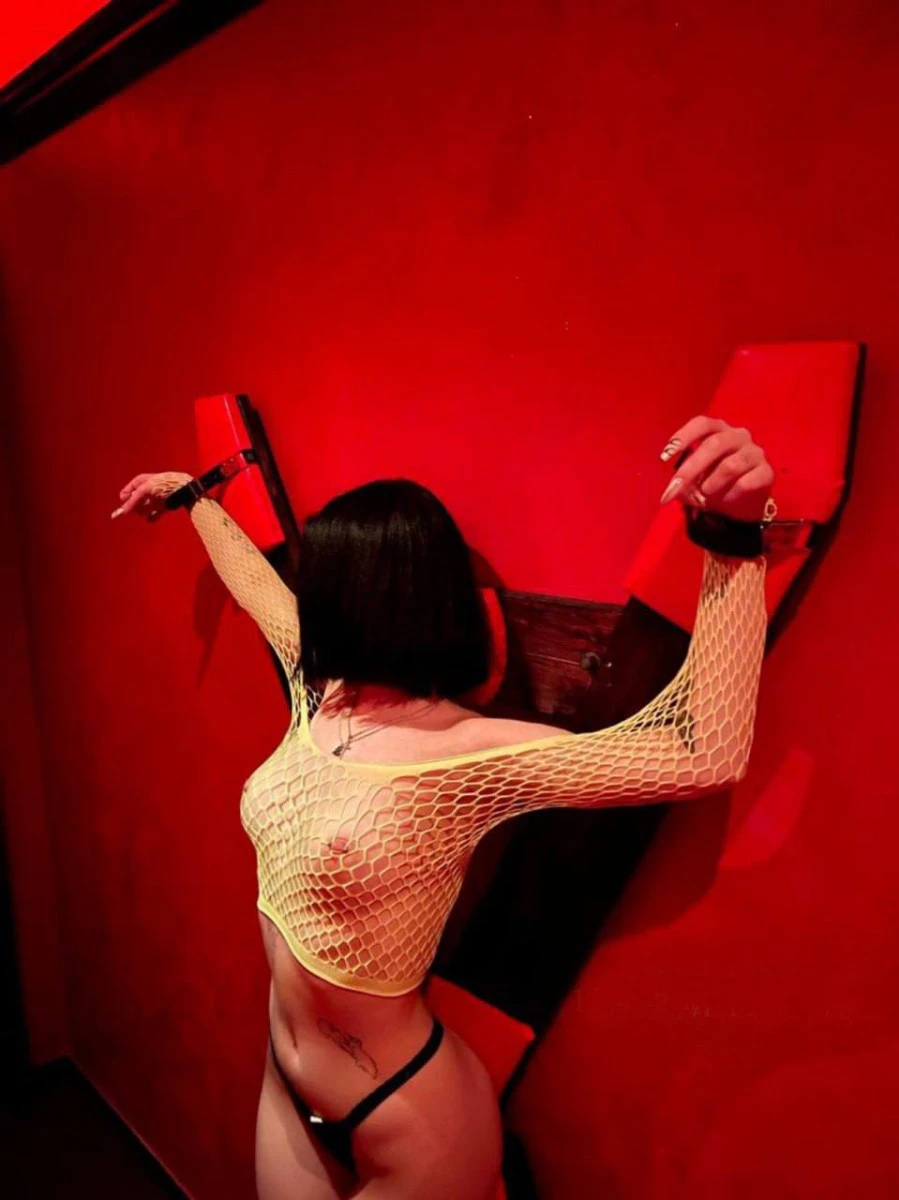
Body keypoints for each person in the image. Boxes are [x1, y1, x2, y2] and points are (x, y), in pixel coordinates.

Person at [112, 415, 774, 1200]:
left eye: (322, 580)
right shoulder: (322, 690)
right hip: (285, 1081)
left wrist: (732, 538)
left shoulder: (469, 754)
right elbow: (255, 586)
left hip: (407, 1112)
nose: (307, 599)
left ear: (365, 594)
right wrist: (191, 498)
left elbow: (704, 752)